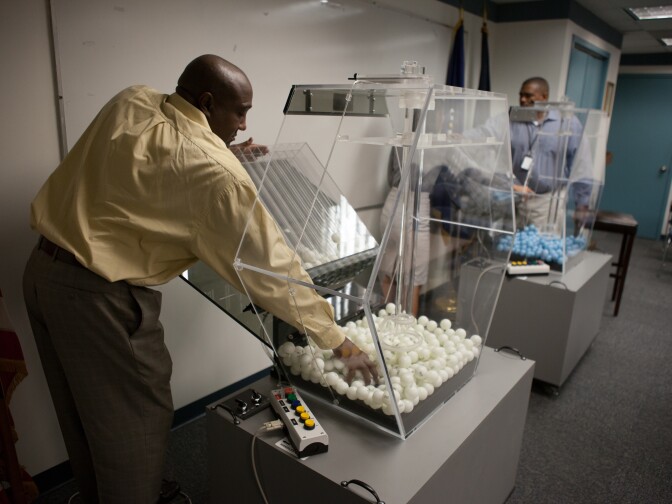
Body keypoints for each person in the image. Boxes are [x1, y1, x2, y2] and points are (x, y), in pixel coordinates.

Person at [23, 54, 377, 503]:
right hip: (99, 301)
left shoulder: (132, 99)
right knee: (136, 423)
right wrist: (337, 339)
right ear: (208, 103)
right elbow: (271, 269)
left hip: (42, 276)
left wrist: (220, 148)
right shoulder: (216, 176)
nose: (246, 124)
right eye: (240, 111)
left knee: (83, 417)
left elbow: (151, 157)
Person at [509, 77, 591, 231]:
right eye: (520, 95)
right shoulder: (513, 120)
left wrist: (582, 202)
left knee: (541, 252)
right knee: (514, 250)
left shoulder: (567, 123)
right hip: (514, 199)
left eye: (528, 96)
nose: (522, 100)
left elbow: (581, 163)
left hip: (547, 201)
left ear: (544, 97)